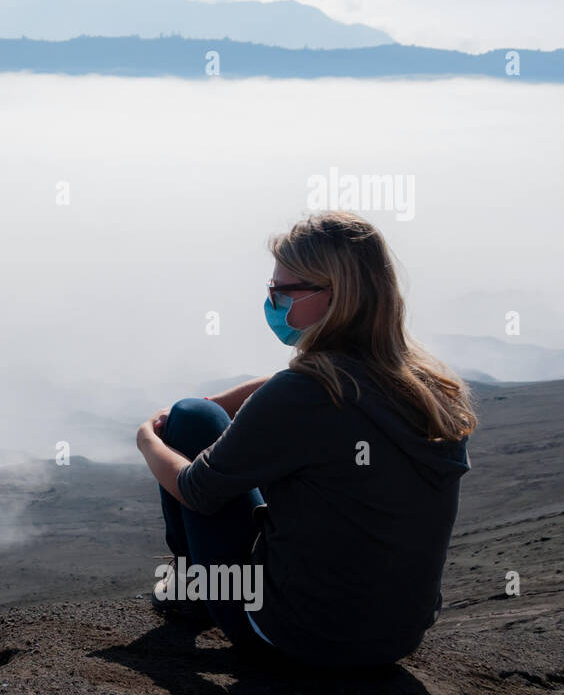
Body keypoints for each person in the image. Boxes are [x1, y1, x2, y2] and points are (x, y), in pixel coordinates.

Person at [135, 211, 476, 668]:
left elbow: (197, 490)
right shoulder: (428, 386)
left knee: (192, 419)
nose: (272, 301)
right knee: (203, 411)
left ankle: (194, 591)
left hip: (293, 635)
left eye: (282, 291)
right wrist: (224, 401)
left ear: (334, 294)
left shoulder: (306, 394)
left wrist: (148, 441)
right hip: (394, 639)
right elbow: (311, 384)